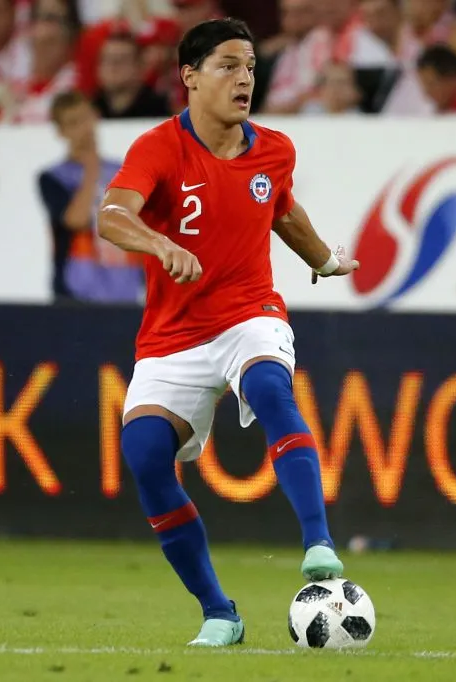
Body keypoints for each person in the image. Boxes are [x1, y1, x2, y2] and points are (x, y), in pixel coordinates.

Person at [96, 18, 358, 647]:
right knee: (145, 457)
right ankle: (220, 612)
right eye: (227, 65)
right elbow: (110, 215)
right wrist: (159, 244)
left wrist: (323, 260)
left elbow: (282, 210)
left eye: (250, 66)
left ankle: (318, 544)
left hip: (248, 313)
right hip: (173, 335)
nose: (244, 78)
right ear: (189, 77)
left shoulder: (273, 148)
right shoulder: (159, 147)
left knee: (272, 389)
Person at [39, 91, 143, 303]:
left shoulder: (122, 170)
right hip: (75, 292)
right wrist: (91, 170)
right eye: (73, 123)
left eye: (86, 118)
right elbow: (75, 220)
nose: (84, 129)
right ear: (60, 131)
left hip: (125, 287)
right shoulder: (53, 177)